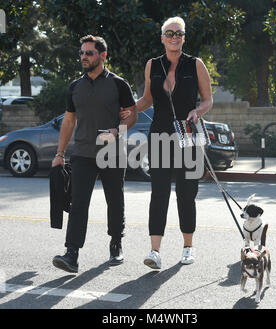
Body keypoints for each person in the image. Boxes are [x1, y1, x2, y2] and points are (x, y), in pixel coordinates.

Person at [123, 17, 213, 269]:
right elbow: (146, 100)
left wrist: (198, 111)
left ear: (184, 38)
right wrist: (125, 109)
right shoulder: (153, 65)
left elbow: (208, 100)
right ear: (162, 37)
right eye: (170, 33)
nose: (175, 37)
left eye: (179, 33)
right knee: (159, 193)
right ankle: (154, 251)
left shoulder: (196, 64)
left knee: (186, 194)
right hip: (160, 135)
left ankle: (187, 247)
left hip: (188, 135)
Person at [52, 35, 137, 273]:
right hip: (82, 153)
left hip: (111, 151)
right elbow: (69, 121)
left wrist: (117, 131)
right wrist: (60, 153)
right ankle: (72, 254)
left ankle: (116, 243)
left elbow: (132, 114)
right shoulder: (75, 87)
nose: (84, 57)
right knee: (78, 203)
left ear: (103, 55)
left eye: (89, 52)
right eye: (81, 53)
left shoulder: (119, 84)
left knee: (114, 199)